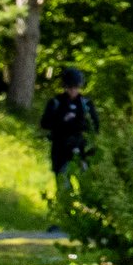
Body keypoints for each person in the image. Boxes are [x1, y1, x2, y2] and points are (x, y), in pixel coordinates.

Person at [41, 66, 97, 211]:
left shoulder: (86, 104)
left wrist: (80, 124)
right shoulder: (56, 103)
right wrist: (63, 121)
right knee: (63, 182)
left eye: (75, 87)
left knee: (85, 180)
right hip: (60, 149)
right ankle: (65, 211)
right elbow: (45, 123)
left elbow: (95, 126)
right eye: (70, 87)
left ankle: (88, 211)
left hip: (81, 148)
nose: (73, 91)